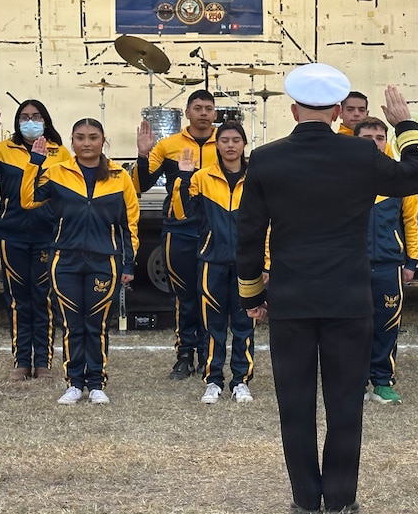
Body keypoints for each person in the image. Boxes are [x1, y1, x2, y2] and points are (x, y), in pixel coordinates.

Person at [237, 67, 418, 514]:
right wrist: (405, 125)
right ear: (339, 112)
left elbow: (248, 234)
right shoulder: (360, 156)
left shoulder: (265, 159)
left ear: (292, 110)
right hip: (348, 298)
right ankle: (341, 496)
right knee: (345, 402)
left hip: (291, 298)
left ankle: (306, 497)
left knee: (295, 404)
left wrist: (251, 295)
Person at [22, 118, 139, 405]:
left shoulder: (118, 175)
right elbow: (27, 200)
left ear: (103, 140)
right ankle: (74, 383)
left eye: (93, 137)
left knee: (96, 325)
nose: (87, 143)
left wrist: (128, 264)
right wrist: (34, 163)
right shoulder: (57, 172)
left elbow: (130, 223)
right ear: (71, 142)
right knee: (73, 324)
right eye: (80, 137)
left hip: (105, 262)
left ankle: (97, 383)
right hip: (65, 261)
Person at [0, 100, 71, 381]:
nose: (30, 121)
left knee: (43, 300)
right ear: (17, 123)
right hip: (12, 234)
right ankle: (21, 361)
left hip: (47, 236)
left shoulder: (59, 152)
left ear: (46, 120)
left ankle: (43, 362)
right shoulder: (3, 150)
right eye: (25, 117)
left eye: (36, 116)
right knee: (17, 301)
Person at [134, 90, 218, 380]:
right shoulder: (168, 146)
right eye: (198, 108)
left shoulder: (226, 143)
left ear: (215, 114)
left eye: (209, 108)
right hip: (179, 229)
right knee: (183, 295)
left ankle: (210, 356)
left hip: (215, 229)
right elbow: (141, 185)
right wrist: (143, 154)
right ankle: (185, 356)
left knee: (210, 294)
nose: (204, 113)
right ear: (187, 112)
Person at [172, 121, 256, 405]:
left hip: (247, 265)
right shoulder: (202, 178)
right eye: (225, 140)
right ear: (216, 145)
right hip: (211, 261)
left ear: (244, 145)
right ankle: (213, 379)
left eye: (236, 140)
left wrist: (265, 262)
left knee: (244, 324)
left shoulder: (256, 178)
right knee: (212, 325)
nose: (230, 146)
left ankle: (241, 381)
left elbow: (267, 224)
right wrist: (183, 178)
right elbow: (182, 213)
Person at [354, 117, 418, 405]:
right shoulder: (341, 177)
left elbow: (410, 221)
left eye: (379, 138)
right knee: (351, 327)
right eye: (366, 138)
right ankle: (353, 383)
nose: (374, 143)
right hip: (350, 266)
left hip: (388, 264)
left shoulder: (397, 179)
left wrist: (412, 260)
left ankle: (382, 381)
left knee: (386, 324)